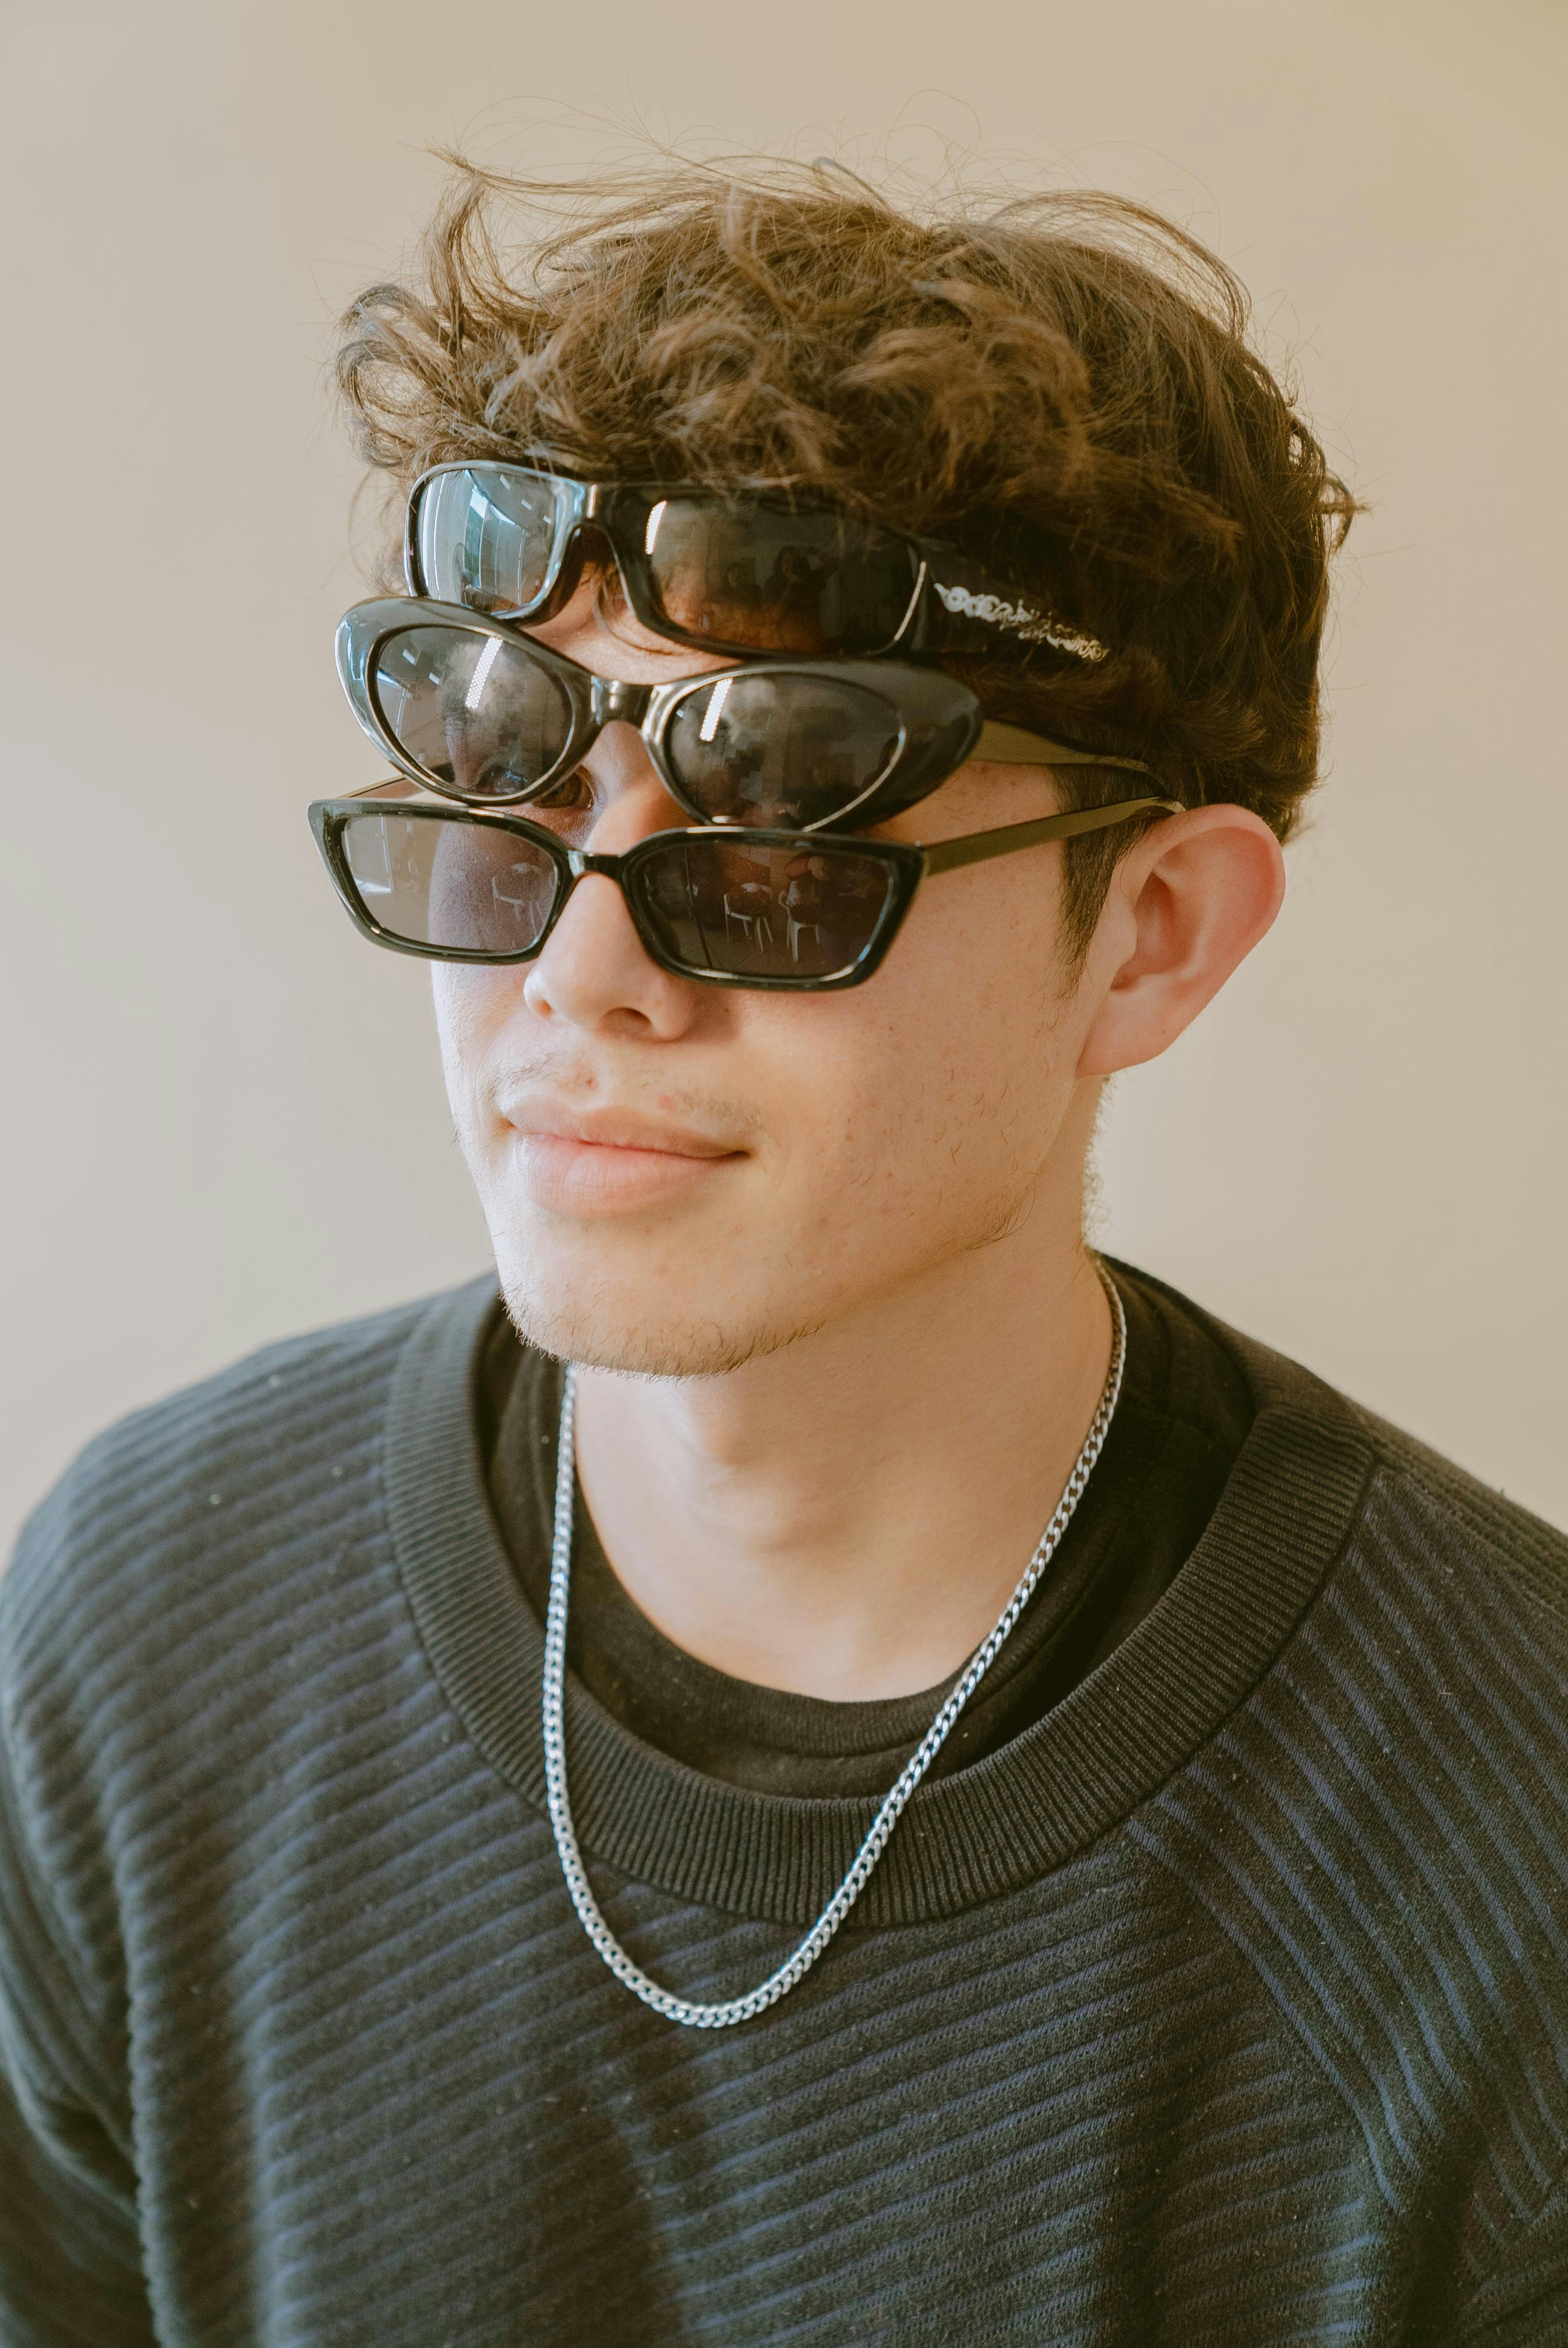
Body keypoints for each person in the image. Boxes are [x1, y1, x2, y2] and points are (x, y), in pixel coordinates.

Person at [3, 157, 1565, 2348]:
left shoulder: (1507, 1877)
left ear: (1150, 936)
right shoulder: (150, 1624)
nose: (582, 970)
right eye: (506, 782)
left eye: (779, 828)